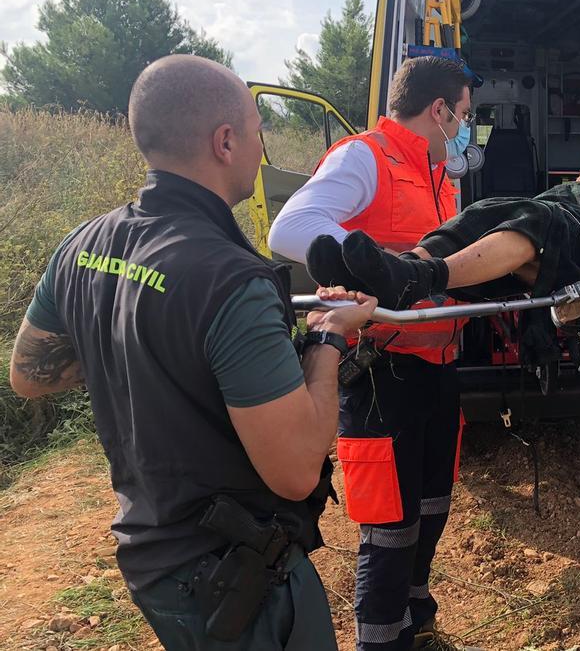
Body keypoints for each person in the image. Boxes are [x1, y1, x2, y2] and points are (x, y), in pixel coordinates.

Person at [7, 54, 378, 650]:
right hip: (234, 579)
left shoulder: (83, 243)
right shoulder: (229, 279)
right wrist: (329, 337)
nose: (263, 149)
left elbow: (28, 373)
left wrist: (142, 355)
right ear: (225, 141)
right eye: (259, 131)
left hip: (152, 559)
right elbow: (294, 471)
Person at [265, 55, 479, 651]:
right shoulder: (366, 156)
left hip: (438, 368)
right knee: (389, 529)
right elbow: (289, 229)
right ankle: (380, 642)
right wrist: (369, 267)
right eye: (462, 116)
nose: (463, 129)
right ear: (438, 111)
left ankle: (416, 625)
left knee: (432, 507)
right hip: (383, 374)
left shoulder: (440, 176)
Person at [298, 164, 580, 315]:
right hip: (578, 207)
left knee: (542, 222)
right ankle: (402, 268)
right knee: (489, 209)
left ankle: (417, 278)